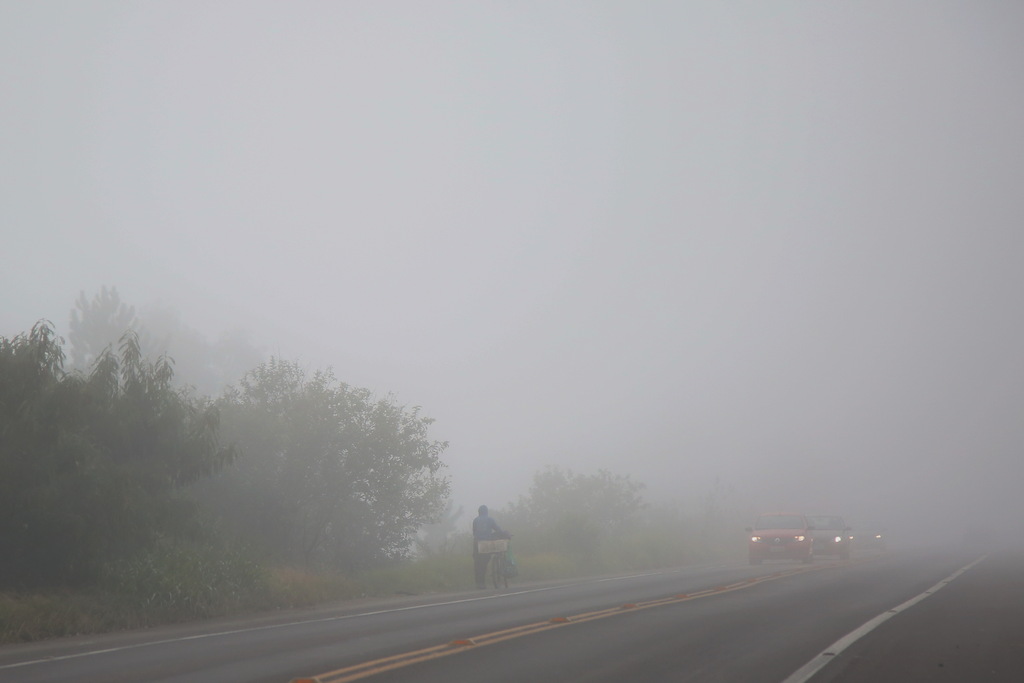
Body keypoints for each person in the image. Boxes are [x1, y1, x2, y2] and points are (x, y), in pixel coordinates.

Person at [472, 505, 509, 589]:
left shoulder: (475, 520)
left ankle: (479, 583)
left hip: (477, 543)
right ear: (487, 512)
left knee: (477, 564)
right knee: (484, 563)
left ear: (479, 512)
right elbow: (498, 529)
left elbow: (474, 533)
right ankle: (482, 584)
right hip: (486, 544)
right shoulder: (490, 519)